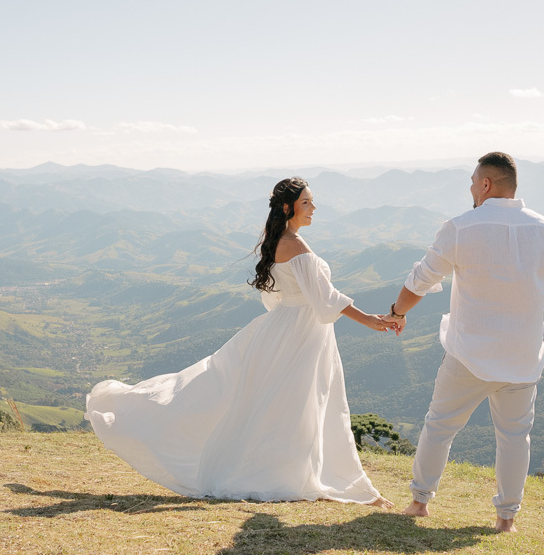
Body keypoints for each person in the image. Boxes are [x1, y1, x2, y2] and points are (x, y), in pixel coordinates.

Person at [85, 177, 396, 507]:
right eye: (307, 203)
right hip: (299, 334)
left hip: (287, 329)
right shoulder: (297, 246)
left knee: (282, 404)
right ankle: (290, 478)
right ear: (288, 208)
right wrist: (371, 320)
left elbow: (279, 296)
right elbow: (325, 298)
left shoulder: (280, 240)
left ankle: (292, 475)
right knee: (296, 404)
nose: (314, 208)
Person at [383, 152, 544, 532]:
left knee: (439, 426)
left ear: (486, 184)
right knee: (514, 439)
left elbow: (420, 280)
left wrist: (397, 312)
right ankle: (506, 520)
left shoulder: (460, 228)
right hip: (522, 359)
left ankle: (419, 503)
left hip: (467, 356)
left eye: (474, 181)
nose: (472, 188)